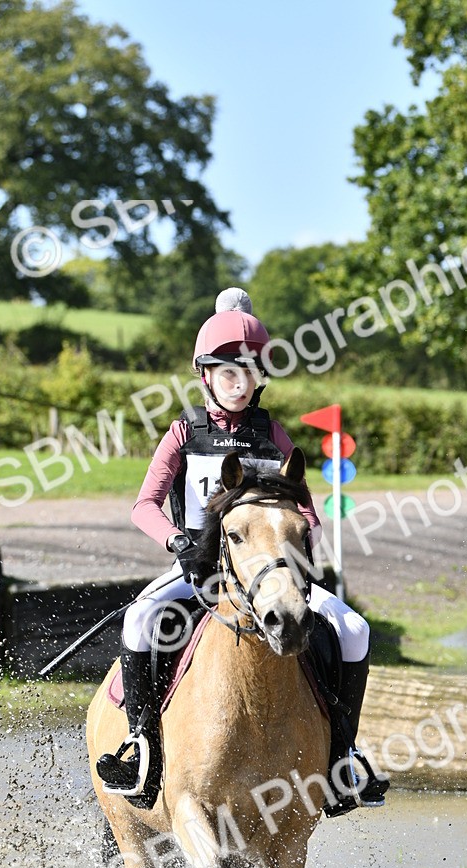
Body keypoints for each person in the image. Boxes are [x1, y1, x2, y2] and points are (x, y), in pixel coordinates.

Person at [96, 288, 389, 816]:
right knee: (140, 621)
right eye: (228, 373)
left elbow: (307, 511)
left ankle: (343, 755)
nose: (239, 383)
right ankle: (140, 745)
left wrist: (302, 537)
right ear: (206, 376)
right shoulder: (185, 432)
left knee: (354, 630)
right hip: (200, 573)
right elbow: (144, 506)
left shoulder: (271, 433)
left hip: (270, 573)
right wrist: (177, 540)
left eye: (249, 373)